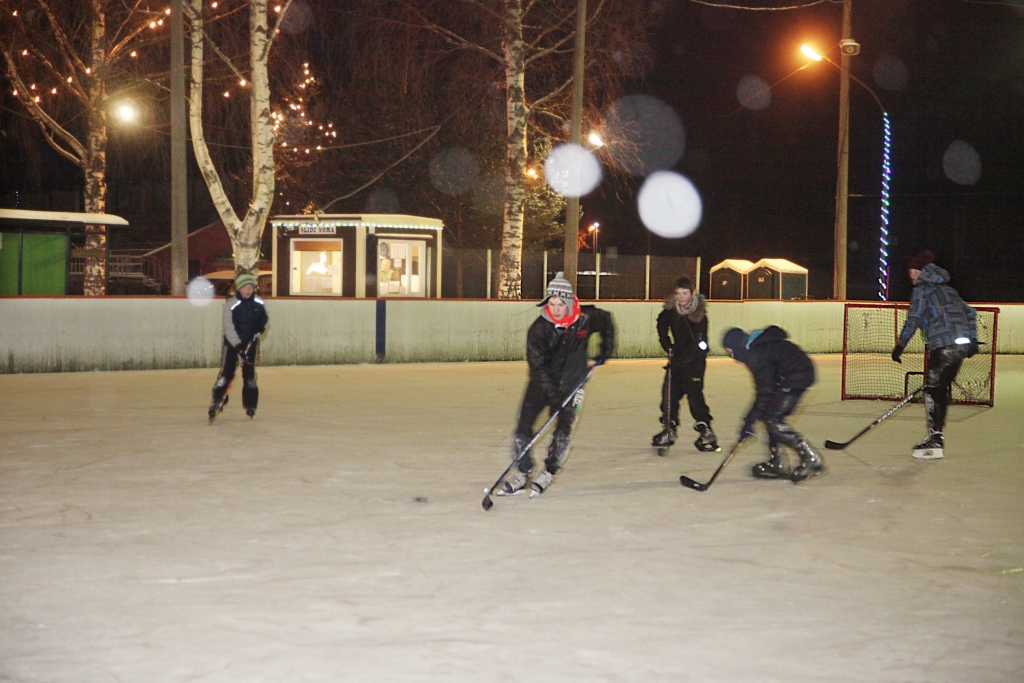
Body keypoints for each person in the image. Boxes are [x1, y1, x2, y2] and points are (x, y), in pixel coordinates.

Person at [495, 272, 616, 497]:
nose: (556, 308)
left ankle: (550, 470)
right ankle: (523, 471)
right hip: (542, 384)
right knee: (523, 427)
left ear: (569, 303)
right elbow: (537, 367)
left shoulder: (586, 319)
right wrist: (553, 395)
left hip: (572, 383)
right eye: (552, 303)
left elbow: (607, 320)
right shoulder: (539, 329)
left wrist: (606, 349)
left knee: (563, 430)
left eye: (560, 304)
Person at [891, 250, 978, 459]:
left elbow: (913, 319)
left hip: (943, 345)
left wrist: (900, 346)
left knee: (932, 391)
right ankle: (937, 435)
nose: (910, 276)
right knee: (939, 389)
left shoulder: (922, 290)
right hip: (961, 346)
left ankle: (935, 438)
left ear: (918, 271)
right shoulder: (949, 290)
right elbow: (970, 313)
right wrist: (972, 340)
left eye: (911, 272)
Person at [722, 326, 824, 483]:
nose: (733, 358)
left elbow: (765, 392)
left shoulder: (755, 354)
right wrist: (752, 419)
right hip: (793, 374)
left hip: (797, 375)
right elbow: (767, 388)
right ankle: (777, 462)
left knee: (773, 419)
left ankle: (810, 457)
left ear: (736, 347)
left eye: (730, 352)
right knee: (768, 415)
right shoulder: (756, 348)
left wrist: (749, 422)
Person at [653, 276, 717, 452]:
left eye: (684, 293)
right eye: (678, 293)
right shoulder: (671, 310)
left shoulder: (699, 315)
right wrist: (666, 343)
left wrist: (684, 358)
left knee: (694, 393)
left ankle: (706, 430)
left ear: (693, 293)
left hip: (695, 359)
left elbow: (700, 342)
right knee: (669, 393)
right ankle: (669, 428)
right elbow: (661, 323)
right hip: (678, 358)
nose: (681, 297)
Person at [209, 273, 269, 421]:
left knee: (249, 376)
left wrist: (261, 329)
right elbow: (228, 327)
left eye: (250, 287)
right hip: (232, 345)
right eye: (244, 287)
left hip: (250, 344)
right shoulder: (231, 304)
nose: (248, 290)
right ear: (239, 289)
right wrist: (237, 345)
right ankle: (217, 400)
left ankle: (250, 404)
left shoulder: (259, 303)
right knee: (226, 374)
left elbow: (265, 320)